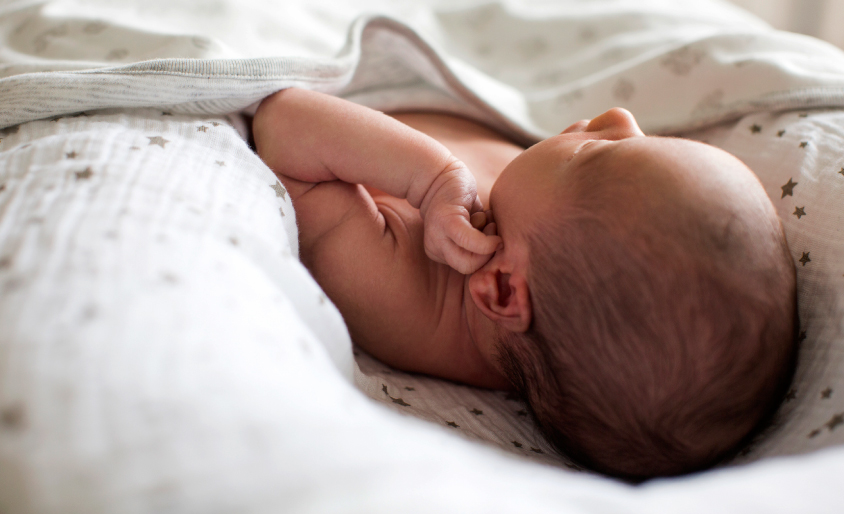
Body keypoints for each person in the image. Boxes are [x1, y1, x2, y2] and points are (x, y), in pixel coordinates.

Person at [252, 87, 797, 479]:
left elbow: (283, 122)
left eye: (598, 153)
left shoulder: (403, 290)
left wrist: (431, 175)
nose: (620, 114)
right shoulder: (547, 228)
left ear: (504, 291)